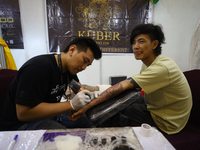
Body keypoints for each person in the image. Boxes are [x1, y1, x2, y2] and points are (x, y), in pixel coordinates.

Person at [69, 24, 192, 135]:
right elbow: (133, 87)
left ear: (154, 44)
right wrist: (94, 88)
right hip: (158, 106)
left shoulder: (162, 67)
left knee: (120, 107)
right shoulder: (149, 63)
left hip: (168, 121)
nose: (135, 46)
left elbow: (124, 85)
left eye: (141, 41)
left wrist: (87, 107)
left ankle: (109, 137)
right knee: (124, 98)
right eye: (133, 42)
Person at [0, 37, 102, 131]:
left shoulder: (68, 71)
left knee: (84, 119)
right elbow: (23, 114)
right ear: (72, 50)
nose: (84, 68)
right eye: (84, 61)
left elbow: (79, 89)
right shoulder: (37, 68)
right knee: (64, 137)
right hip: (21, 123)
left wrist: (90, 95)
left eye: (87, 65)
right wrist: (70, 104)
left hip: (49, 116)